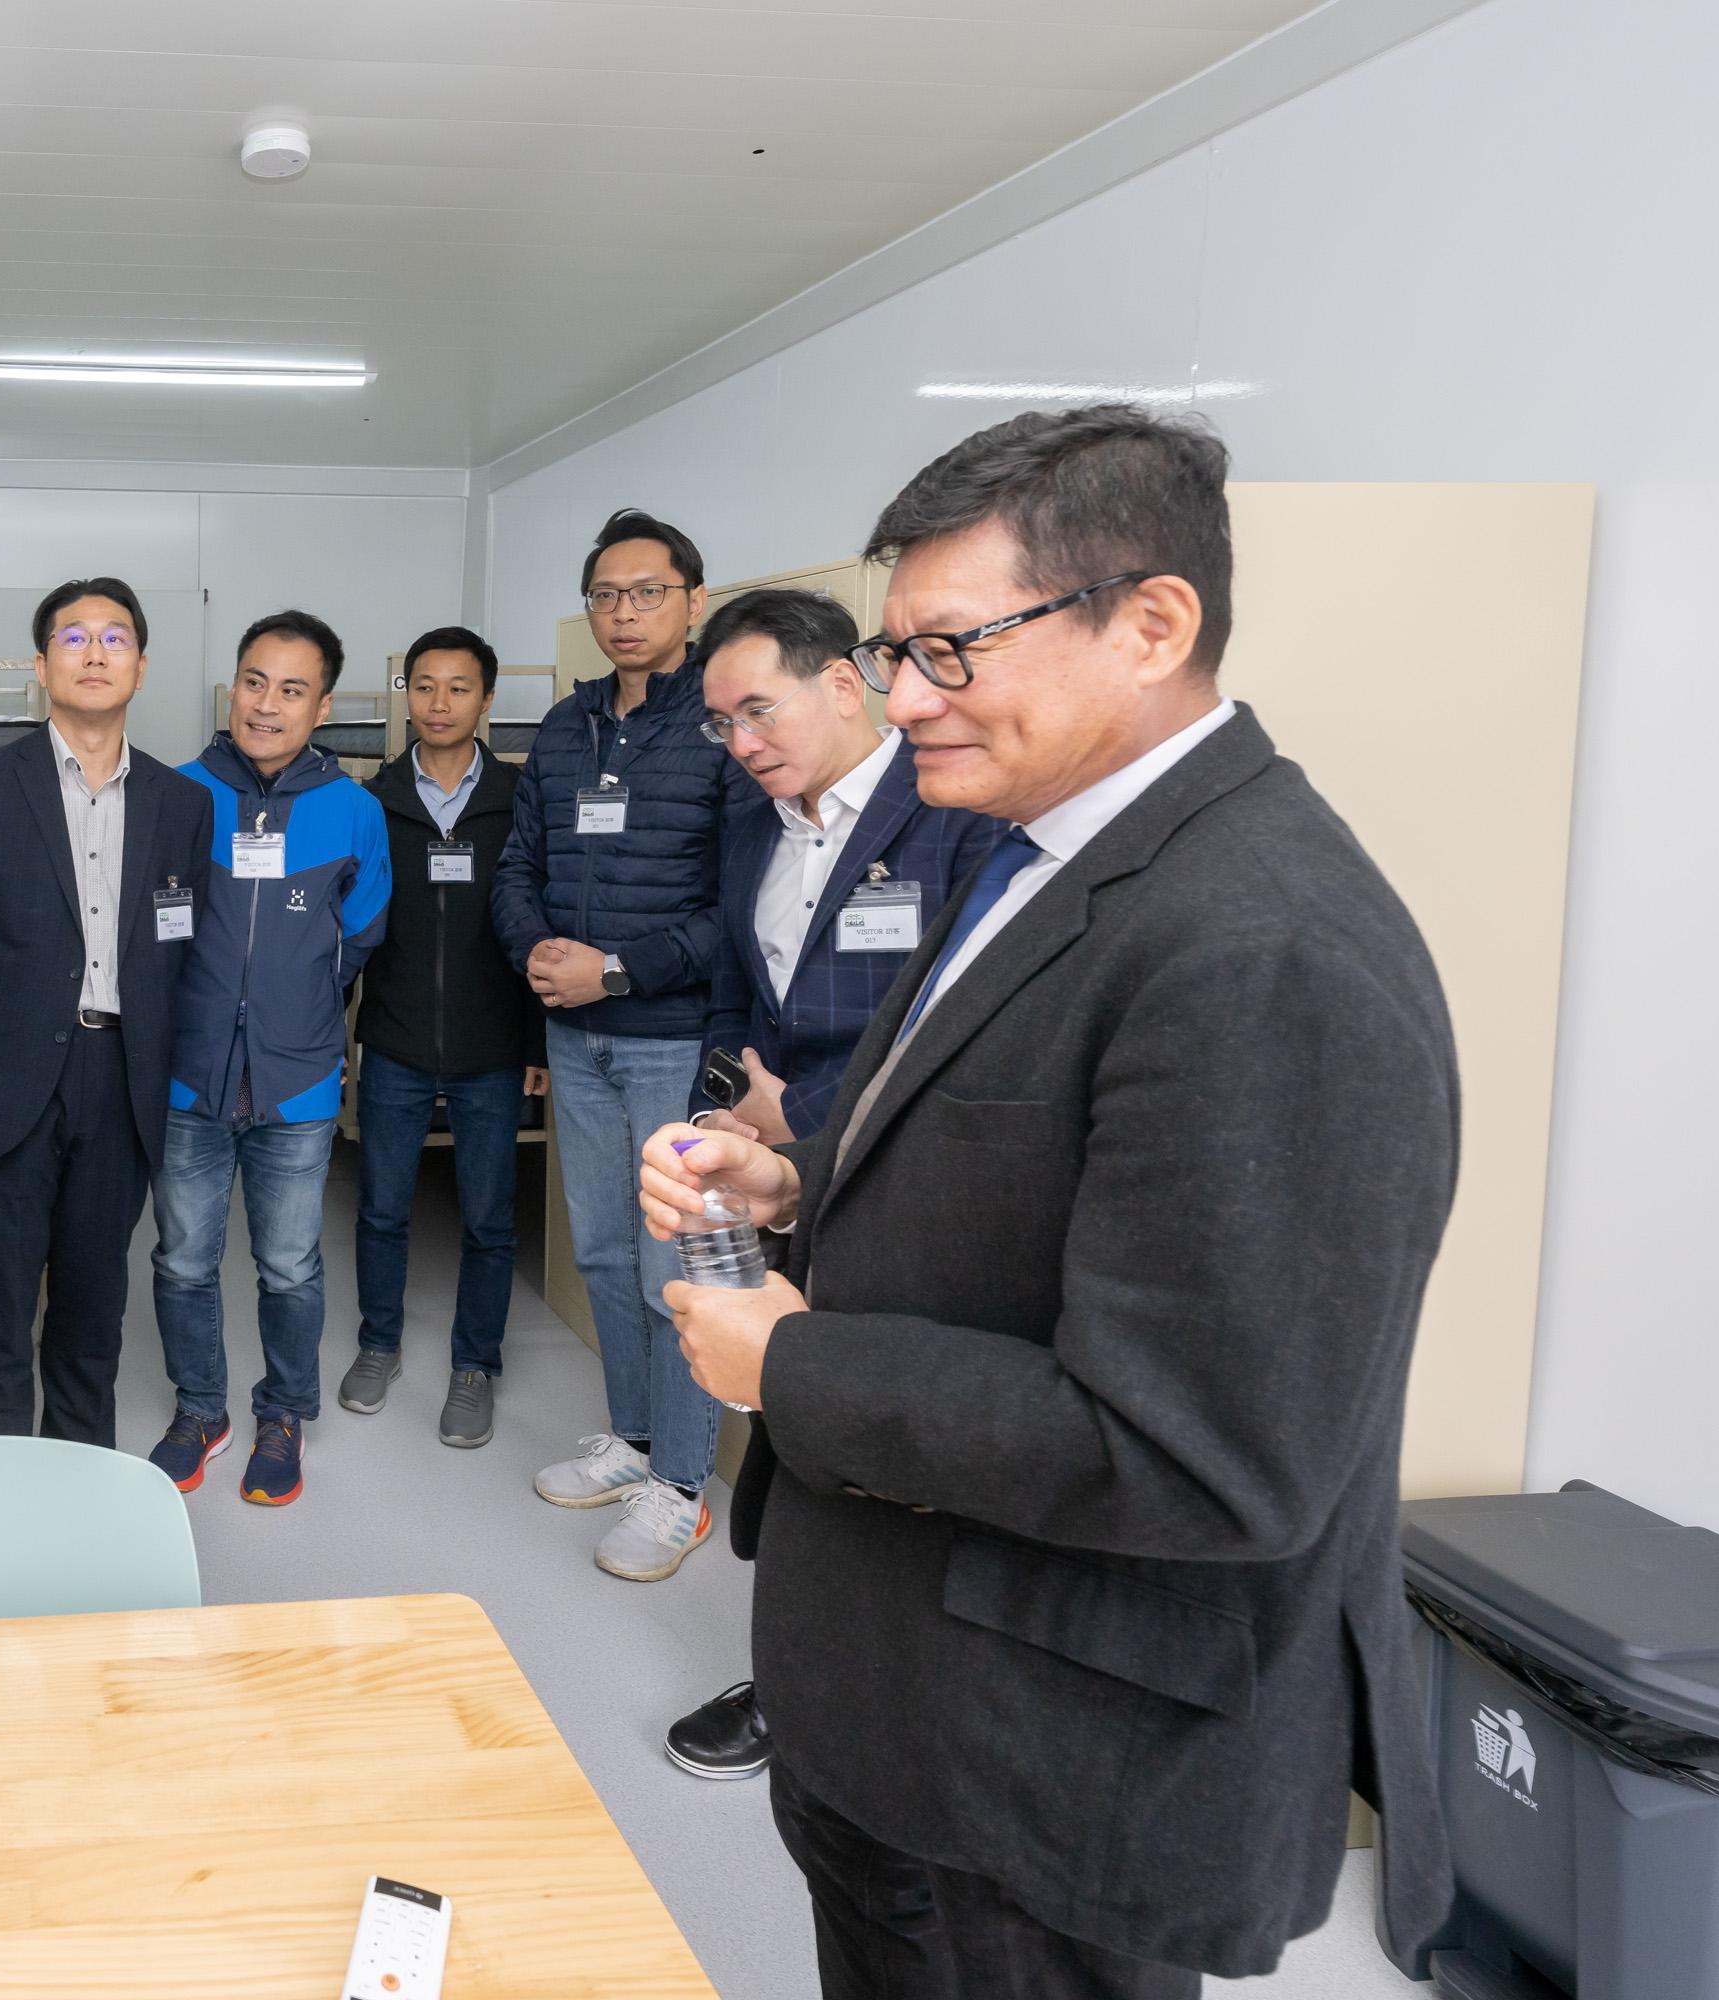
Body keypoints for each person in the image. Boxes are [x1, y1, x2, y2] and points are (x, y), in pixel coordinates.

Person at [638, 407, 1456, 1994]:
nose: (904, 701)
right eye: (892, 654)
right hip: (907, 1695)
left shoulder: (1261, 945)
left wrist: (786, 1365)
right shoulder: (1033, 857)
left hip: (1039, 1762)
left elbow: (1204, 1449)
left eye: (952, 650)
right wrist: (794, 1179)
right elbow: (1011, 1175)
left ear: (1153, 623)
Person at [660, 588, 1005, 1780]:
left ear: (844, 684)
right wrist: (723, 1106)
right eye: (722, 723)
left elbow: (961, 1028)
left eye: (758, 709)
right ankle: (795, 1675)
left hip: (899, 1182)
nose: (742, 742)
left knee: (885, 1444)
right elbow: (740, 991)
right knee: (794, 1436)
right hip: (779, 1181)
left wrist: (798, 1121)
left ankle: (879, 1696)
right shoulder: (755, 826)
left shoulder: (951, 814)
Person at [492, 508, 742, 1582]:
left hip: (669, 1041)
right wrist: (539, 950)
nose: (624, 612)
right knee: (598, 1247)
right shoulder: (567, 721)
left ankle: (684, 1487)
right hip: (576, 1030)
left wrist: (620, 969)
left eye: (647, 592)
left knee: (669, 1267)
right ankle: (635, 1440)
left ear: (693, 596)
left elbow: (735, 907)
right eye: (606, 594)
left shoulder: (724, 722)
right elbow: (518, 863)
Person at [0, 578, 212, 1447]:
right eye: (73, 638)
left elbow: (182, 941)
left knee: (92, 1313)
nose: (93, 652)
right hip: (8, 1076)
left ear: (142, 668)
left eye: (114, 638)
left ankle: (83, 1497)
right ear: (42, 664)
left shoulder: (181, 804)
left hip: (121, 1079)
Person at [147, 610, 390, 1507]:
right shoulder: (174, 794)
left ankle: (283, 1412)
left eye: (292, 689)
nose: (267, 704)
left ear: (321, 705)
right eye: (255, 681)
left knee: (290, 1264)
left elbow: (360, 935)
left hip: (298, 1076)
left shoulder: (356, 813)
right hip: (189, 1071)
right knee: (182, 1259)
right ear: (232, 686)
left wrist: (297, 1006)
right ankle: (200, 1410)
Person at [340, 626, 547, 1448]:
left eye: (457, 688)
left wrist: (535, 1040)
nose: (438, 704)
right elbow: (349, 921)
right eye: (423, 687)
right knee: (382, 1208)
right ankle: (378, 1343)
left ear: (486, 699)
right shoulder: (374, 800)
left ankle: (475, 1365)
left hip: (492, 1043)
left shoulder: (519, 799)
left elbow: (542, 923)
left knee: (490, 1219)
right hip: (390, 1037)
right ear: (407, 696)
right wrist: (339, 1033)